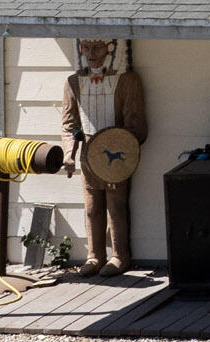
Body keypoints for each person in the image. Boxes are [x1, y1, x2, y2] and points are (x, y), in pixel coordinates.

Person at [61, 38, 148, 276]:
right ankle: (94, 255)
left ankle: (120, 255)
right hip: (89, 153)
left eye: (97, 47)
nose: (91, 54)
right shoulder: (73, 82)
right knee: (91, 207)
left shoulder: (127, 81)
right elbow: (69, 124)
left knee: (116, 205)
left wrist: (121, 145)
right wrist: (69, 153)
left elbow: (137, 125)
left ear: (111, 48)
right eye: (86, 48)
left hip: (115, 152)